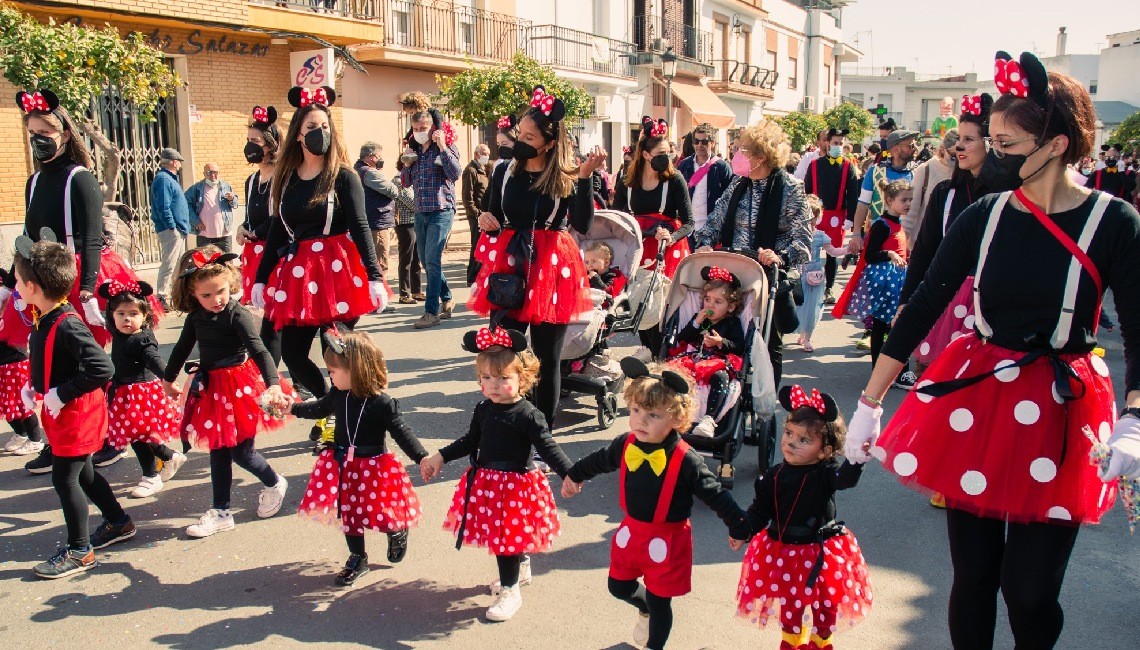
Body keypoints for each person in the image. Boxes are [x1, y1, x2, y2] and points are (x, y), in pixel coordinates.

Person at [845, 50, 1140, 649]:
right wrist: (870, 404)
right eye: (991, 142)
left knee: (1030, 592)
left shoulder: (1115, 222)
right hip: (976, 401)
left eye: (1007, 145)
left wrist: (1135, 418)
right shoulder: (985, 214)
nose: (990, 156)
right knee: (973, 578)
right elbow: (922, 304)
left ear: (1056, 145)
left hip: (1062, 406)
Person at [4, 89, 162, 474]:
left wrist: (89, 288)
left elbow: (91, 236)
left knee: (94, 362)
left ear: (65, 134)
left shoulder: (81, 178)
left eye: (46, 130)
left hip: (80, 274)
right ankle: (60, 440)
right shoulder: (33, 182)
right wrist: (13, 281)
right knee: (51, 361)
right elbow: (27, 234)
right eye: (33, 132)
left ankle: (113, 437)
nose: (39, 138)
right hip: (45, 275)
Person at [563, 357, 750, 650]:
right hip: (631, 532)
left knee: (661, 600)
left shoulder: (686, 458)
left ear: (676, 419)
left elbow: (714, 493)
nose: (640, 420)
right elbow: (600, 460)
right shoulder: (626, 444)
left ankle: (654, 645)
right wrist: (574, 475)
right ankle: (644, 607)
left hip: (669, 539)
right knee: (618, 586)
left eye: (653, 415)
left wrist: (738, 524)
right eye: (636, 410)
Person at [468, 86, 605, 430]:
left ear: (548, 142)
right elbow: (494, 215)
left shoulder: (567, 175)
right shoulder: (504, 171)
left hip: (553, 268)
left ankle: (541, 434)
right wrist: (488, 221)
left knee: (546, 359)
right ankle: (503, 424)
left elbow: (584, 224)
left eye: (530, 136)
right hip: (510, 266)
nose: (521, 141)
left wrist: (586, 178)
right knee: (501, 348)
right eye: (520, 134)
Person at [420, 328, 577, 622]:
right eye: (486, 378)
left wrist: (570, 473)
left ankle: (510, 590)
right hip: (488, 485)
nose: (493, 385)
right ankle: (522, 567)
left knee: (506, 541)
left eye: (503, 378)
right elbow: (470, 441)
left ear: (522, 379)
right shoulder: (483, 409)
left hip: (517, 488)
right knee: (507, 539)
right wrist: (439, 456)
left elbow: (548, 447)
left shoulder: (529, 415)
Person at [253, 86, 388, 404]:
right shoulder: (286, 177)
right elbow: (277, 231)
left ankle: (345, 418)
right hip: (300, 273)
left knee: (336, 352)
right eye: (312, 128)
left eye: (325, 127)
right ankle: (330, 406)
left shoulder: (343, 176)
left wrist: (374, 276)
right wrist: (261, 277)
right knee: (293, 354)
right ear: (298, 135)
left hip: (337, 272)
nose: (320, 133)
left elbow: (361, 226)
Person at [14, 237, 135, 579]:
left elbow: (102, 368)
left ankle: (81, 550)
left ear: (32, 287)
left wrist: (60, 393)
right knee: (84, 474)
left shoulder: (66, 321)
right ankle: (118, 521)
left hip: (77, 413)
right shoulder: (46, 315)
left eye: (19, 282)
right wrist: (34, 386)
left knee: (65, 478)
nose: (16, 288)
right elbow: (51, 359)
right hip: (64, 411)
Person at [732, 385, 873, 650]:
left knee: (825, 607)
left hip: (821, 553)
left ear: (825, 451)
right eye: (788, 433)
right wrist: (744, 531)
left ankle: (821, 643)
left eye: (804, 440)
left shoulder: (825, 473)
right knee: (791, 609)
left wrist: (856, 460)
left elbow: (845, 480)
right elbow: (761, 511)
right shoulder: (772, 477)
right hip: (783, 553)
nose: (790, 442)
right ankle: (792, 643)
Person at [166, 246, 293, 538]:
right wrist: (167, 380)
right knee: (218, 449)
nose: (215, 300)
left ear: (231, 284)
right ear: (193, 294)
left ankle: (274, 482)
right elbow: (181, 349)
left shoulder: (236, 314)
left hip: (240, 386)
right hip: (211, 388)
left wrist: (273, 383)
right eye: (206, 295)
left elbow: (259, 350)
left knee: (241, 452)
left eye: (221, 291)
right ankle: (221, 511)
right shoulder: (195, 318)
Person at [293, 329, 427, 586]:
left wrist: (422, 458)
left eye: (333, 370)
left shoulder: (382, 403)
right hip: (344, 464)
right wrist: (291, 409)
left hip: (375, 467)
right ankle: (357, 556)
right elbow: (317, 408)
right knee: (349, 513)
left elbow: (402, 432)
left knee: (380, 511)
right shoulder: (338, 394)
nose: (329, 375)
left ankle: (396, 530)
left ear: (355, 370)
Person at [692, 120, 814, 388]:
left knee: (768, 342)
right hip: (735, 272)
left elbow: (803, 240)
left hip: (766, 276)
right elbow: (714, 223)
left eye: (742, 151)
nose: (737, 156)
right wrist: (704, 243)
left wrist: (779, 256)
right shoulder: (738, 184)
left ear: (760, 157)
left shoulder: (791, 188)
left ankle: (764, 397)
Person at [616, 117, 694, 355]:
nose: (667, 158)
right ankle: (647, 352)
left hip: (666, 251)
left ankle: (663, 357)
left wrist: (672, 236)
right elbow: (617, 219)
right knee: (640, 307)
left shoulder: (674, 179)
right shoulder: (627, 181)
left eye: (669, 152)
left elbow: (689, 222)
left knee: (662, 310)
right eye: (661, 152)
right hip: (639, 250)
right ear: (645, 154)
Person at [101, 279, 185, 499]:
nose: (127, 318)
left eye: (133, 313)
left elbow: (154, 360)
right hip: (124, 391)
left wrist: (169, 379)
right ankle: (168, 457)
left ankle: (152, 476)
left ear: (145, 316)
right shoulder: (120, 335)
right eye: (120, 313)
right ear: (112, 315)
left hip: (139, 393)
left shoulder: (141, 339)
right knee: (139, 435)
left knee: (139, 437)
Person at [834, 179, 911, 385]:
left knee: (891, 327)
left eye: (910, 200)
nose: (908, 204)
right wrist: (889, 254)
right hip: (884, 284)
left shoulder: (899, 224)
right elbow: (870, 255)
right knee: (881, 327)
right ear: (889, 200)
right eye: (904, 200)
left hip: (896, 282)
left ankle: (893, 371)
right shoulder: (881, 225)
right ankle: (881, 372)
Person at [666, 266, 747, 438]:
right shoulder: (700, 318)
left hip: (717, 362)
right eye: (707, 300)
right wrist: (696, 322)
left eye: (718, 302)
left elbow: (740, 346)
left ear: (730, 307)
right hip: (694, 357)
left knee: (720, 378)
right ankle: (673, 412)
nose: (710, 305)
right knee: (673, 374)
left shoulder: (732, 323)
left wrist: (721, 342)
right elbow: (683, 338)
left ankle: (708, 420)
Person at [401, 108, 461, 328]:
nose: (419, 132)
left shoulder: (445, 147)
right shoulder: (415, 152)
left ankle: (431, 312)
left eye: (423, 128)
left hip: (441, 210)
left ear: (432, 128)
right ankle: (447, 298)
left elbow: (455, 173)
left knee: (432, 260)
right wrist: (406, 164)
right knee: (427, 262)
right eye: (416, 129)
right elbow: (406, 183)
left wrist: (443, 146)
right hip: (420, 212)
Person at [803, 128, 859, 303]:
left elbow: (853, 193)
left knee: (832, 254)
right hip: (816, 215)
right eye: (835, 143)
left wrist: (850, 218)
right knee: (809, 252)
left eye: (841, 143)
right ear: (827, 143)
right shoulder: (814, 165)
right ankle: (807, 284)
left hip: (837, 216)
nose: (838, 146)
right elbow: (805, 192)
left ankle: (828, 289)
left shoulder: (848, 166)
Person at [237, 106, 281, 309]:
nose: (249, 146)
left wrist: (254, 232)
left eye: (255, 141)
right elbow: (250, 216)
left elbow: (279, 216)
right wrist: (242, 228)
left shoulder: (283, 176)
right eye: (247, 141)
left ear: (270, 145)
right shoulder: (252, 180)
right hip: (253, 254)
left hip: (276, 253)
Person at [0, 268, 45, 458]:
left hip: (15, 364)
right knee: (5, 406)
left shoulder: (15, 309)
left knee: (22, 405)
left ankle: (36, 440)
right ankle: (20, 434)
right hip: (2, 366)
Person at [796, 196, 848, 353]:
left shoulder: (820, 236)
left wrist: (848, 250)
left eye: (814, 219)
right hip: (800, 276)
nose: (811, 223)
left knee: (812, 308)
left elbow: (832, 251)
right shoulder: (797, 235)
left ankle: (808, 338)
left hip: (816, 277)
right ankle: (802, 333)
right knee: (800, 307)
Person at [355, 141, 398, 311]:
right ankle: (378, 300)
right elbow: (393, 190)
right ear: (371, 157)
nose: (381, 160)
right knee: (380, 262)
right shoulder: (370, 172)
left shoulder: (358, 170)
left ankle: (372, 299)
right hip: (377, 222)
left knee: (371, 262)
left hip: (369, 221)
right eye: (379, 156)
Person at [676, 123, 734, 245]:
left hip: (710, 232)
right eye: (696, 141)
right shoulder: (684, 165)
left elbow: (729, 201)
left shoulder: (722, 167)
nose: (700, 145)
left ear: (712, 143)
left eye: (704, 142)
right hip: (687, 229)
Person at [150, 147, 191, 308]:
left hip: (178, 229)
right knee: (169, 263)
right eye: (179, 162)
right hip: (170, 230)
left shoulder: (169, 179)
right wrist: (172, 226)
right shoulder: (164, 179)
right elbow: (163, 206)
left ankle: (176, 295)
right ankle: (161, 295)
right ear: (173, 162)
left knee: (177, 265)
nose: (180, 165)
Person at [903, 129, 959, 247]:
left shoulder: (965, 171)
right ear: (943, 149)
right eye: (953, 155)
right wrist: (902, 241)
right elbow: (910, 210)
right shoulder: (926, 169)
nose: (957, 159)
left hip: (953, 244)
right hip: (923, 243)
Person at [185, 162, 237, 253]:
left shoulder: (226, 186)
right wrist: (195, 221)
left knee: (227, 263)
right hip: (204, 235)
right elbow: (185, 204)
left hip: (224, 234)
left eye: (215, 172)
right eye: (209, 173)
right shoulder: (197, 188)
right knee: (205, 263)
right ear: (204, 174)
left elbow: (235, 204)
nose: (213, 175)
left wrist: (232, 199)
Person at [392, 163, 422, 303]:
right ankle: (404, 294)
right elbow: (411, 202)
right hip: (404, 224)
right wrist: (423, 204)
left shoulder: (412, 181)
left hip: (415, 221)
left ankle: (417, 291)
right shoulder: (398, 181)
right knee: (406, 259)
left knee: (416, 258)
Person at [463, 143, 492, 285]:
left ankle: (480, 274)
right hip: (476, 215)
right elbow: (467, 197)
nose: (487, 157)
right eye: (484, 154)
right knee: (476, 244)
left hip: (485, 214)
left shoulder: (484, 170)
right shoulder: (471, 170)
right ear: (477, 154)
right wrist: (476, 213)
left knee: (483, 245)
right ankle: (472, 277)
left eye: (488, 154)